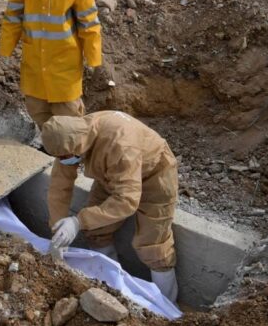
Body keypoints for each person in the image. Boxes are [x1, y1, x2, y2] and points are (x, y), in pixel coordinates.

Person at [42, 111, 179, 302]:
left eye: (65, 156)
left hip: (154, 176)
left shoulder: (120, 146)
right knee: (97, 230)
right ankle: (113, 288)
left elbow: (127, 201)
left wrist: (78, 221)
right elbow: (59, 186)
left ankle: (166, 307)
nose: (64, 160)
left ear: (78, 146)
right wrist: (57, 228)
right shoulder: (71, 137)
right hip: (112, 176)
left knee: (153, 247)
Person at [0, 0, 101, 130]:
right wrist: (5, 49)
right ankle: (50, 149)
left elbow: (89, 24)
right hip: (35, 63)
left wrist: (93, 57)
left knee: (69, 120)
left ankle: (72, 157)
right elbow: (12, 18)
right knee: (38, 111)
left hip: (65, 65)